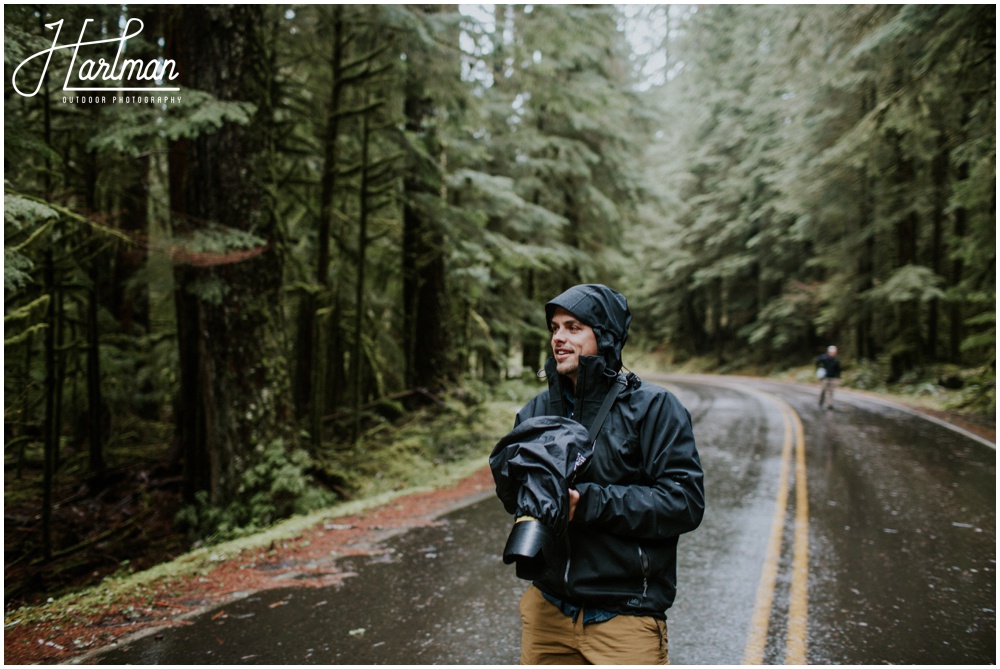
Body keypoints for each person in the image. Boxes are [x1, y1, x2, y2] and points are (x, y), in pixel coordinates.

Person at [511, 284, 705, 665]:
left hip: (625, 617)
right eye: (554, 328)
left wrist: (587, 503)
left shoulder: (654, 408)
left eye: (574, 327)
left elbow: (684, 503)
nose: (559, 338)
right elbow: (518, 495)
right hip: (547, 612)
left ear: (606, 335)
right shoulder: (536, 411)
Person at [815, 345, 841, 410]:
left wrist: (838, 378)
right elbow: (817, 362)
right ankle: (821, 400)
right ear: (829, 352)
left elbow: (838, 370)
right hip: (825, 377)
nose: (833, 353)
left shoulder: (836, 360)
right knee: (823, 390)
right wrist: (819, 369)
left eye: (834, 352)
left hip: (832, 378)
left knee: (830, 391)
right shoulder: (824, 358)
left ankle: (830, 404)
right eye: (832, 352)